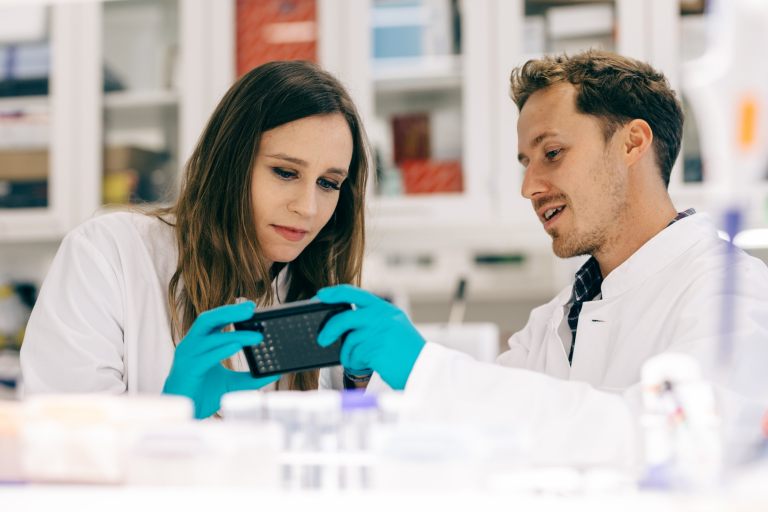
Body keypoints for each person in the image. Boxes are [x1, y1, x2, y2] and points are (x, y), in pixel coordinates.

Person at [315, 50, 768, 468]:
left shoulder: (730, 291)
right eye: (525, 162)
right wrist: (369, 380)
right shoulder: (557, 319)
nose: (528, 186)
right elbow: (476, 435)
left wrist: (423, 368)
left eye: (551, 153)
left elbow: (679, 438)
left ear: (632, 143)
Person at [20, 60, 371, 419]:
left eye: (328, 183)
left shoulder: (316, 295)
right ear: (230, 162)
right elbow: (63, 447)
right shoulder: (109, 254)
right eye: (285, 172)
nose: (308, 208)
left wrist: (362, 383)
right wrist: (172, 415)